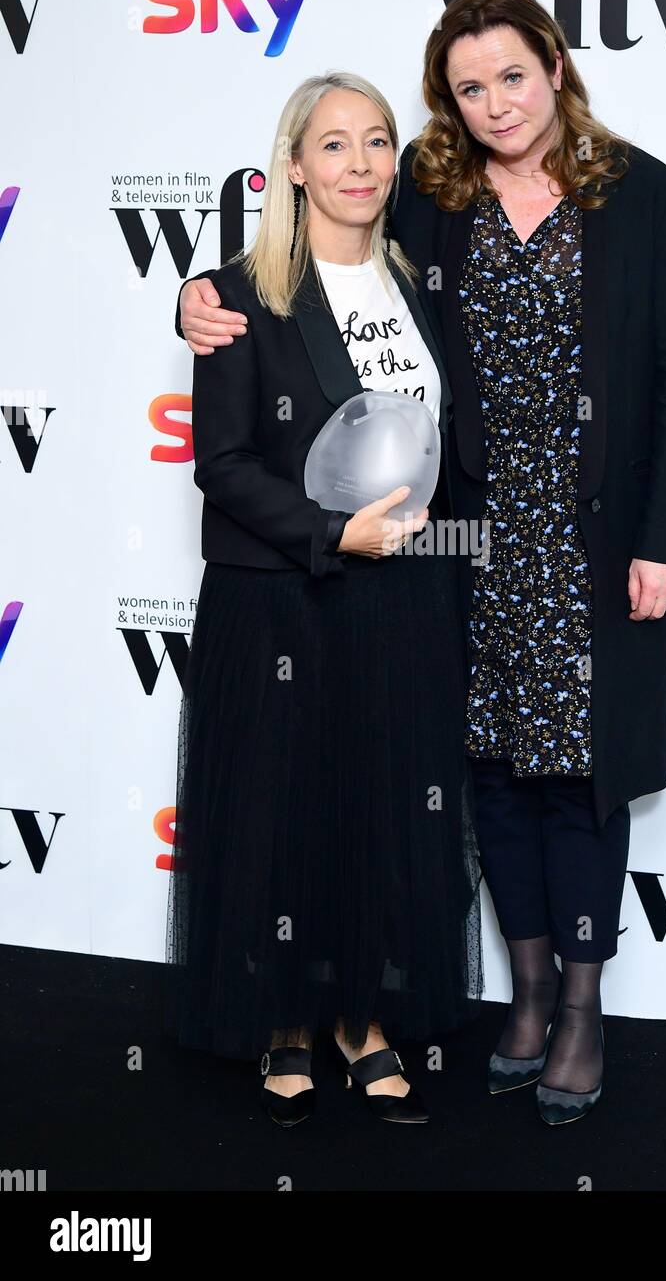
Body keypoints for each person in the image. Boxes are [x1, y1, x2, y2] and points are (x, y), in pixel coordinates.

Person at [175, 0, 666, 1126]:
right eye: (468, 87)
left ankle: (578, 1009)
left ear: (554, 69)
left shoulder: (645, 196)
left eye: (511, 74)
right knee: (493, 780)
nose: (494, 101)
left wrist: (664, 539)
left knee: (581, 782)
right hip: (458, 543)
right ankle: (517, 1001)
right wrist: (194, 294)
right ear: (450, 106)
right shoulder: (433, 190)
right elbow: (313, 254)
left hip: (591, 546)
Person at [165, 70, 483, 1129]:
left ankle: (362, 1019)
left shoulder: (417, 275)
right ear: (292, 165)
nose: (359, 164)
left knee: (379, 809)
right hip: (285, 601)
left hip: (404, 600)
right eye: (334, 145)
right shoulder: (238, 293)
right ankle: (284, 1024)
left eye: (377, 142)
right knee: (281, 813)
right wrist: (327, 532)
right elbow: (223, 461)